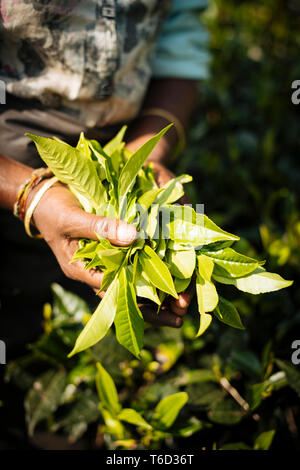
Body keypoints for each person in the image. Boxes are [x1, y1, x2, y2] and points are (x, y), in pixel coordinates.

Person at [0, 0, 210, 353]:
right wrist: (30, 193)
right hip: (8, 151)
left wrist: (148, 152)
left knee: (100, 334)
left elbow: (180, 37)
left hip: (124, 138)